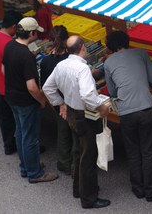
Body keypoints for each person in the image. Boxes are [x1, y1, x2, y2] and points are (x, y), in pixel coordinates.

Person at [43, 35, 110, 209]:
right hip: (84, 115)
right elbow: (88, 94)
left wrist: (60, 103)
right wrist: (100, 106)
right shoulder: (82, 69)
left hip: (72, 113)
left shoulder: (61, 65)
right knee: (88, 156)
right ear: (82, 47)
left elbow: (47, 88)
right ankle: (89, 198)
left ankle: (78, 189)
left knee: (78, 152)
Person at [104, 30, 152, 202]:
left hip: (126, 112)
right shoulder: (141, 53)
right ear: (127, 42)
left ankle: (138, 188)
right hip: (146, 108)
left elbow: (112, 91)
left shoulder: (108, 62)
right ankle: (150, 191)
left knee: (133, 150)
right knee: (148, 150)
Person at [2, 17, 58, 183]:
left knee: (20, 133)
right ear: (31, 33)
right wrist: (42, 101)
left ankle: (26, 166)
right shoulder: (27, 55)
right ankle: (35, 172)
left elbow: (4, 69)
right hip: (26, 101)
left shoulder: (10, 45)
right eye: (36, 33)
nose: (37, 36)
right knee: (31, 137)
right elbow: (32, 87)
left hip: (11, 97)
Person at [0, 11, 22, 155]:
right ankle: (23, 147)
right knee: (19, 120)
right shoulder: (9, 44)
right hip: (9, 87)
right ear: (13, 27)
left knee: (5, 118)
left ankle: (8, 145)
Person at [40, 25, 72, 175]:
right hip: (72, 100)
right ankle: (72, 163)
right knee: (77, 133)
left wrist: (56, 103)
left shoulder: (46, 61)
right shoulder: (71, 59)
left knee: (63, 133)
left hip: (58, 101)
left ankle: (64, 161)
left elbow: (45, 85)